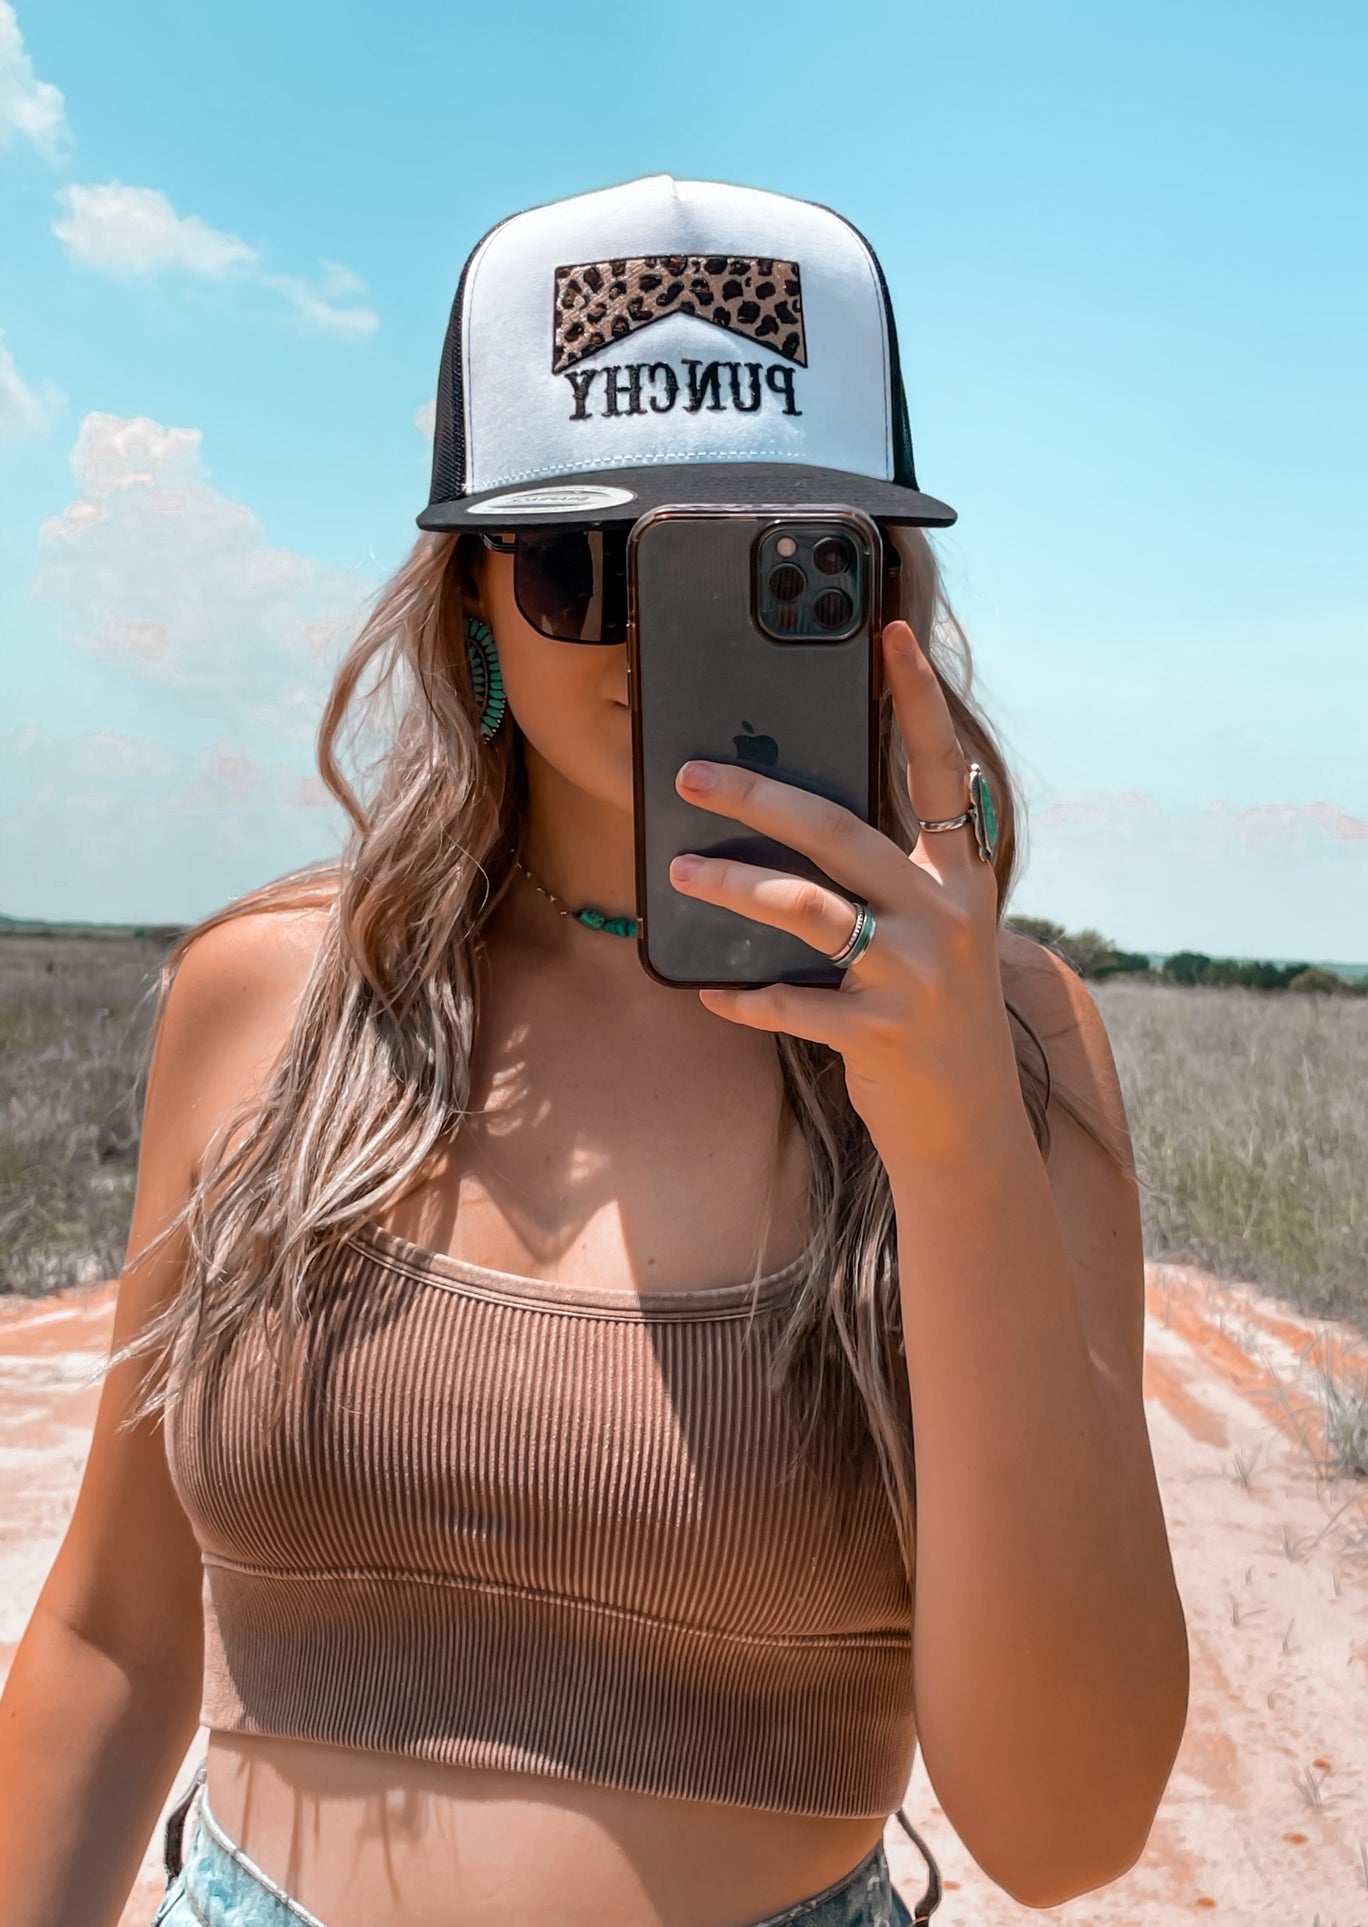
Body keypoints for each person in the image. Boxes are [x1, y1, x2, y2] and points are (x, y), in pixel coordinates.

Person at [0, 175, 1189, 1927]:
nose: (660, 638)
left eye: (764, 566)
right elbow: (111, 1631)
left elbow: (1065, 1825)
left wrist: (947, 1140)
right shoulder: (271, 993)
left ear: (885, 597)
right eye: (581, 563)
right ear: (471, 601)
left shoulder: (1008, 1040)